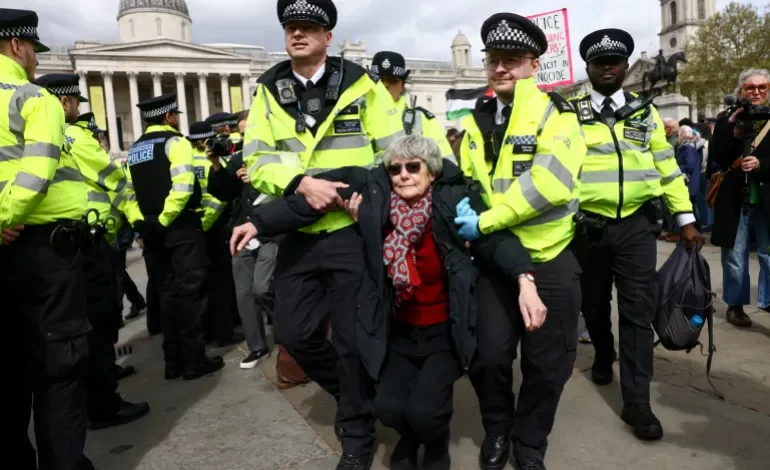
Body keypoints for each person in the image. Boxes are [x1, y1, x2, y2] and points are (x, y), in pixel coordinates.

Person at [233, 135, 546, 470]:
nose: (403, 175)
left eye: (413, 167)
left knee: (426, 412)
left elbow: (494, 239)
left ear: (432, 173)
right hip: (398, 331)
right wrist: (258, 222)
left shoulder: (453, 200)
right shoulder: (374, 196)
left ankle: (434, 438)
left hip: (444, 332)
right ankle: (410, 437)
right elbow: (315, 198)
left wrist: (524, 280)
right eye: (395, 169)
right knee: (388, 409)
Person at [240, 0, 405, 467]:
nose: (299, 34)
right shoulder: (269, 89)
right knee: (295, 333)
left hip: (350, 232)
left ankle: (356, 435)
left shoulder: (361, 83)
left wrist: (359, 190)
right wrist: (300, 184)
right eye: (292, 27)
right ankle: (360, 397)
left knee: (352, 339)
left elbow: (392, 153)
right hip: (299, 231)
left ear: (328, 36)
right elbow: (257, 158)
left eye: (309, 27)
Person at [452, 13, 585, 470]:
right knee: (487, 358)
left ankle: (529, 445)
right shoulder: (477, 118)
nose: (501, 68)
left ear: (533, 64)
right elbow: (470, 176)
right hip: (493, 258)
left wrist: (486, 220)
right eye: (494, 60)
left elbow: (551, 183)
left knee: (549, 366)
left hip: (547, 256)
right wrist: (467, 203)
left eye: (512, 60)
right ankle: (497, 429)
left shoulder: (557, 113)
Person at [569, 28, 702, 441]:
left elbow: (666, 168)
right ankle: (603, 354)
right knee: (592, 304)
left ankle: (637, 403)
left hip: (636, 227)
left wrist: (685, 219)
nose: (607, 68)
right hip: (587, 228)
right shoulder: (569, 112)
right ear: (588, 69)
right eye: (599, 63)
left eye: (614, 62)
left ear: (625, 67)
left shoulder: (644, 112)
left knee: (637, 314)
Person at [0, 9, 95, 469]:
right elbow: (37, 169)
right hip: (38, 250)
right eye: (33, 50)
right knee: (59, 367)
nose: (36, 59)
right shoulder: (31, 97)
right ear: (18, 46)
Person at [32, 75, 151, 430]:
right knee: (98, 323)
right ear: (65, 103)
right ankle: (103, 404)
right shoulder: (74, 138)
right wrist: (141, 222)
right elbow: (116, 179)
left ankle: (95, 393)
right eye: (76, 102)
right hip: (89, 240)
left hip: (57, 243)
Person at [122, 92, 225, 380]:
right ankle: (193, 361)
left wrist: (141, 222)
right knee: (191, 293)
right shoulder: (175, 142)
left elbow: (127, 192)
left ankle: (172, 362)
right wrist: (165, 220)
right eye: (176, 115)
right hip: (179, 228)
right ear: (169, 117)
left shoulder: (135, 148)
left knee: (166, 294)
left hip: (150, 230)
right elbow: (182, 187)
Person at [710, 68, 770, 327]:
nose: (756, 92)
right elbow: (719, 157)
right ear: (741, 91)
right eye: (750, 87)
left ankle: (767, 301)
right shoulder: (726, 119)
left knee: (768, 255)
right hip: (735, 197)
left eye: (762, 87)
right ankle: (736, 305)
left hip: (766, 197)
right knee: (734, 255)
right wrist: (731, 127)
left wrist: (761, 164)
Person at [188, 120, 243, 347]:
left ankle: (206, 331)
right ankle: (224, 331)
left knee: (200, 282)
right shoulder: (211, 159)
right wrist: (207, 223)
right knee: (221, 282)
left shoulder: (184, 158)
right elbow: (220, 197)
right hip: (214, 226)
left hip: (192, 227)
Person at [369, 50, 455, 161]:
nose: (385, 85)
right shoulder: (356, 116)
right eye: (378, 80)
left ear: (402, 86)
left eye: (392, 80)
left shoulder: (422, 119)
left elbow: (448, 164)